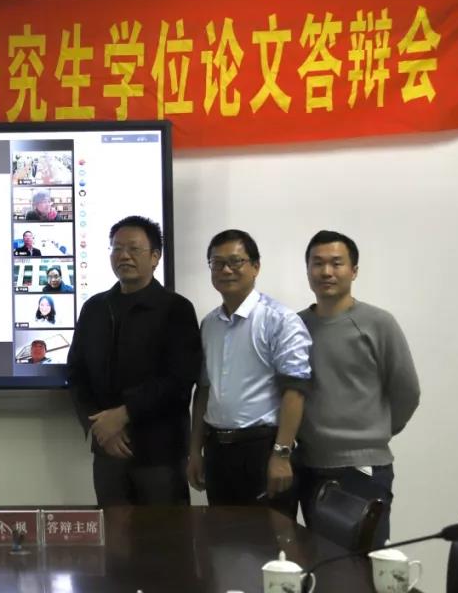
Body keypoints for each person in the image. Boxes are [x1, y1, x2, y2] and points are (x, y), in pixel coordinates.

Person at [294, 230, 420, 541]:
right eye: (317, 263)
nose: (326, 271)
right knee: (320, 559)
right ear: (307, 270)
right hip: (309, 466)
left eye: (336, 263)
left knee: (362, 561)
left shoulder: (378, 323)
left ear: (354, 271)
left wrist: (374, 435)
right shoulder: (295, 326)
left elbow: (407, 391)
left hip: (363, 469)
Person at [66, 216, 201, 505]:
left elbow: (179, 380)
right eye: (116, 248)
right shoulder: (95, 308)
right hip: (108, 452)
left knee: (165, 532)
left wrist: (124, 414)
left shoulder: (176, 309)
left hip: (160, 454)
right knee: (112, 531)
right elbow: (76, 373)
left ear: (155, 257)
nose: (123, 256)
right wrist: (99, 426)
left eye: (133, 249)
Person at [188, 229, 311, 518]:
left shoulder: (280, 320)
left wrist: (281, 454)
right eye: (217, 263)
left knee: (269, 539)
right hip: (217, 450)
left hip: (262, 449)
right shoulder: (209, 324)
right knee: (222, 537)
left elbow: (295, 391)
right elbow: (204, 390)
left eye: (235, 261)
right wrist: (194, 451)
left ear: (255, 266)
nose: (226, 270)